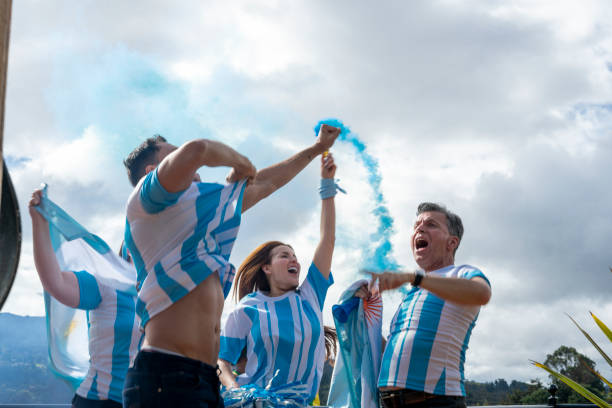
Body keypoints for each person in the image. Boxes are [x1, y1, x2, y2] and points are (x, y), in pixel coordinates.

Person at [122, 126, 340, 407]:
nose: (196, 171)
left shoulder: (200, 215)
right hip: (166, 373)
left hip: (202, 379)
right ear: (154, 171)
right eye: (172, 156)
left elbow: (267, 184)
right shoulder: (146, 203)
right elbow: (197, 149)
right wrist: (243, 164)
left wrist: (316, 148)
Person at [217, 153, 339, 404]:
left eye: (295, 256)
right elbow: (222, 361)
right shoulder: (247, 309)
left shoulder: (311, 295)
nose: (295, 260)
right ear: (267, 268)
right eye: (285, 256)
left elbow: (327, 240)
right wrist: (237, 392)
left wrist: (327, 184)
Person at [369, 203, 491, 408]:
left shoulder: (462, 273)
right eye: (416, 225)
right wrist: (362, 323)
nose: (420, 229)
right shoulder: (412, 293)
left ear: (452, 242)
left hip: (435, 401)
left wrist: (414, 278)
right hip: (389, 403)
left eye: (431, 224)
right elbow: (394, 350)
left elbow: (482, 293)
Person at [29, 188, 141, 408]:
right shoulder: (107, 284)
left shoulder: (164, 297)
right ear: (129, 252)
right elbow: (55, 282)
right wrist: (39, 222)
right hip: (100, 401)